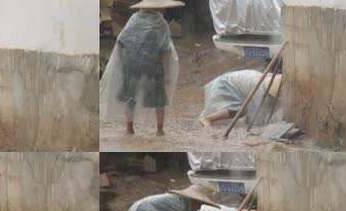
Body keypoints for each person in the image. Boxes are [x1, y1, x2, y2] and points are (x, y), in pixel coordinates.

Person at [100, 0, 183, 136]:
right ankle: (160, 130)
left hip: (132, 63)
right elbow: (165, 47)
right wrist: (162, 67)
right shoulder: (161, 23)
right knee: (159, 99)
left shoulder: (134, 19)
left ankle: (129, 129)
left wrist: (123, 62)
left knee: (130, 96)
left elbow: (121, 41)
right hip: (153, 64)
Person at [199, 69, 282, 127]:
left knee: (243, 109)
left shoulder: (269, 79)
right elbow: (257, 117)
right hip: (225, 84)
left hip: (232, 81)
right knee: (237, 110)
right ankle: (207, 119)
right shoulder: (259, 90)